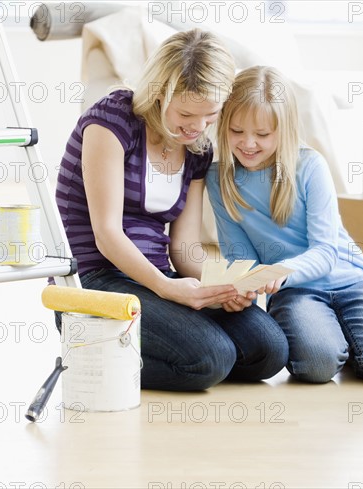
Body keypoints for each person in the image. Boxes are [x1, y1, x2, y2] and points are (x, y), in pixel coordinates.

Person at [54, 30, 288, 391]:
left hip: (155, 279)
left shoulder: (196, 149)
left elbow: (184, 248)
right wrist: (167, 289)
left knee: (268, 350)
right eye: (186, 114)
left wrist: (225, 285)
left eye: (210, 116)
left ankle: (175, 350)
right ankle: (89, 354)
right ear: (160, 92)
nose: (196, 128)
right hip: (95, 279)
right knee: (210, 359)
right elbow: (107, 234)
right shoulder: (112, 120)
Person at [206, 66, 363, 384]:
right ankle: (336, 342)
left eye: (262, 135)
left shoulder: (309, 165)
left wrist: (278, 272)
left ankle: (347, 341)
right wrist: (242, 288)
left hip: (350, 282)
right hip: (295, 292)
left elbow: (326, 252)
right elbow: (241, 257)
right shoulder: (219, 178)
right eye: (237, 131)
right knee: (315, 367)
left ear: (284, 130)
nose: (248, 143)